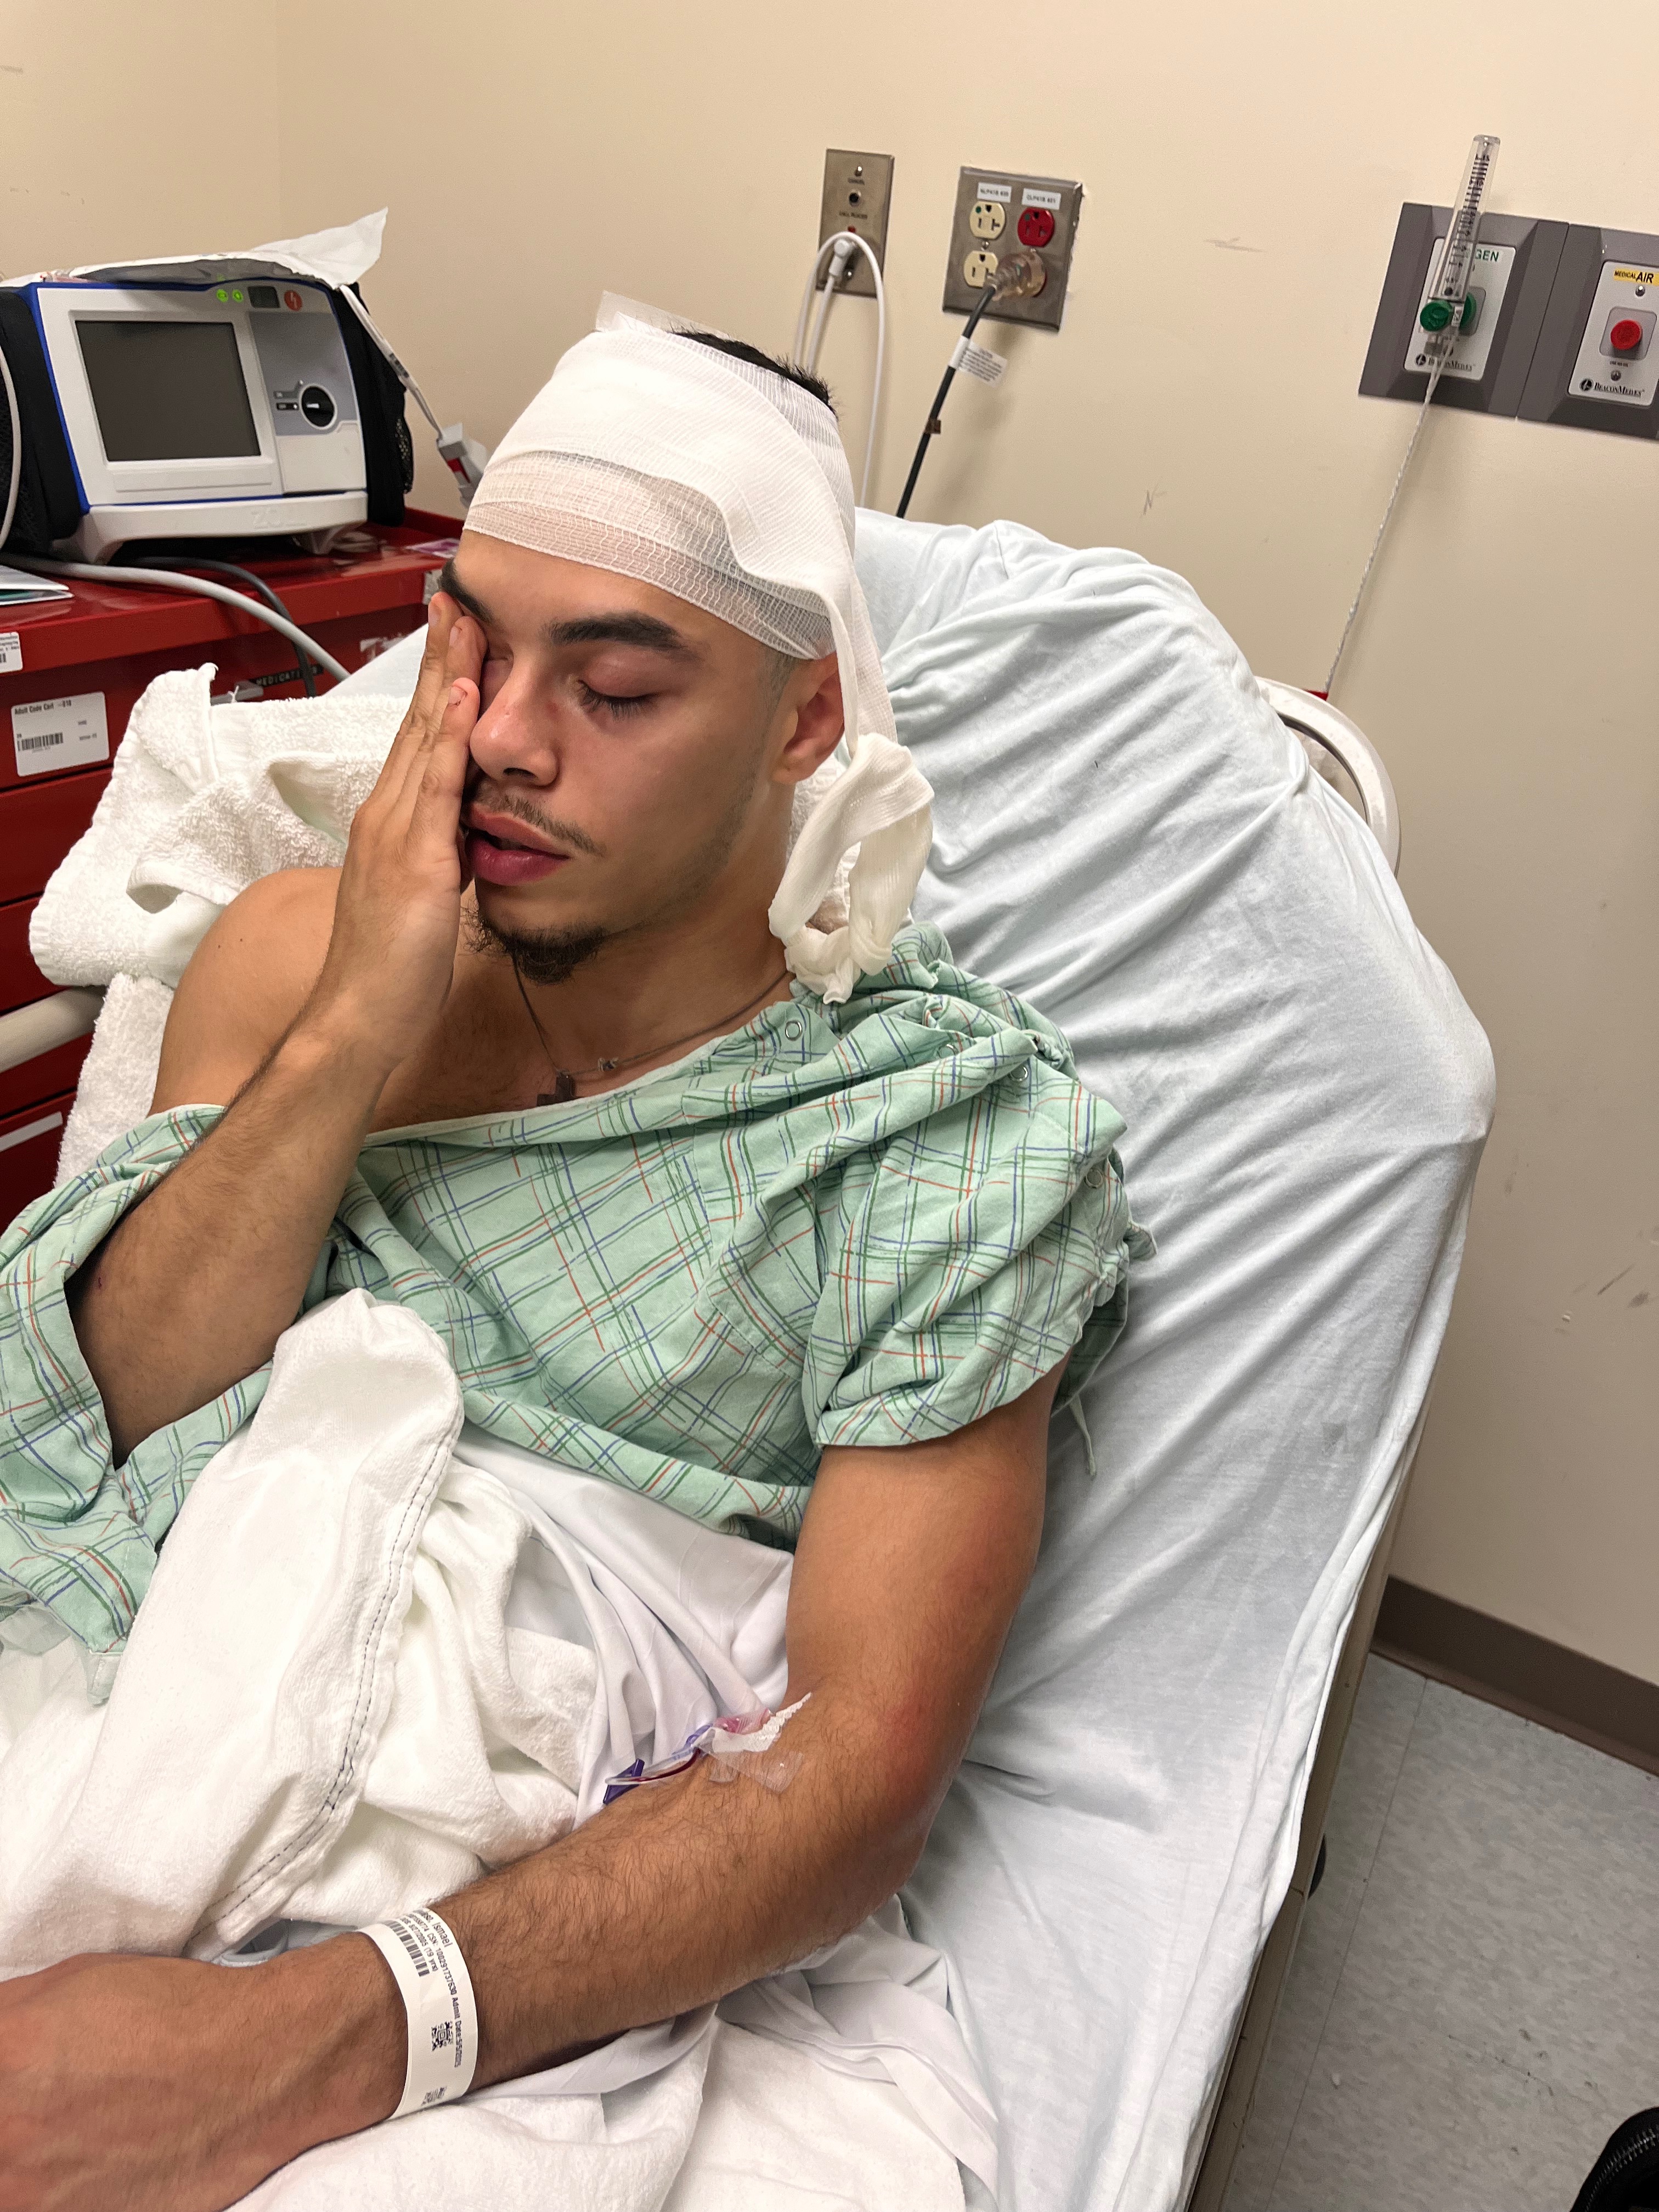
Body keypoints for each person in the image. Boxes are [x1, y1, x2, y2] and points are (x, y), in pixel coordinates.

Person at [0, 312, 1144, 2208]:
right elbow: (103, 1420)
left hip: (517, 1881)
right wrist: (359, 1019)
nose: (502, 743)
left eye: (614, 690)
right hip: (140, 1674)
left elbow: (853, 1773)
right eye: (472, 651)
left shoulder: (938, 1142)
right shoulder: (297, 954)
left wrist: (311, 2044)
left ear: (803, 723)